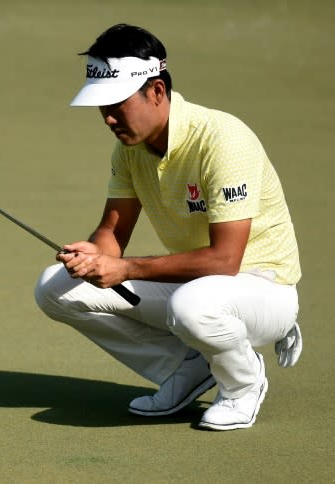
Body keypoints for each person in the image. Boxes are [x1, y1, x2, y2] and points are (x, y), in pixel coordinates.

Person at [33, 24, 303, 430]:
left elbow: (226, 260)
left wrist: (124, 269)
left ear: (156, 91)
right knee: (56, 288)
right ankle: (190, 367)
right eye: (101, 107)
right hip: (193, 284)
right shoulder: (130, 150)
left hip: (264, 288)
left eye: (116, 104)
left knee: (194, 307)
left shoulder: (223, 139)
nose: (107, 118)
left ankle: (243, 383)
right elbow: (112, 232)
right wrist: (92, 257)